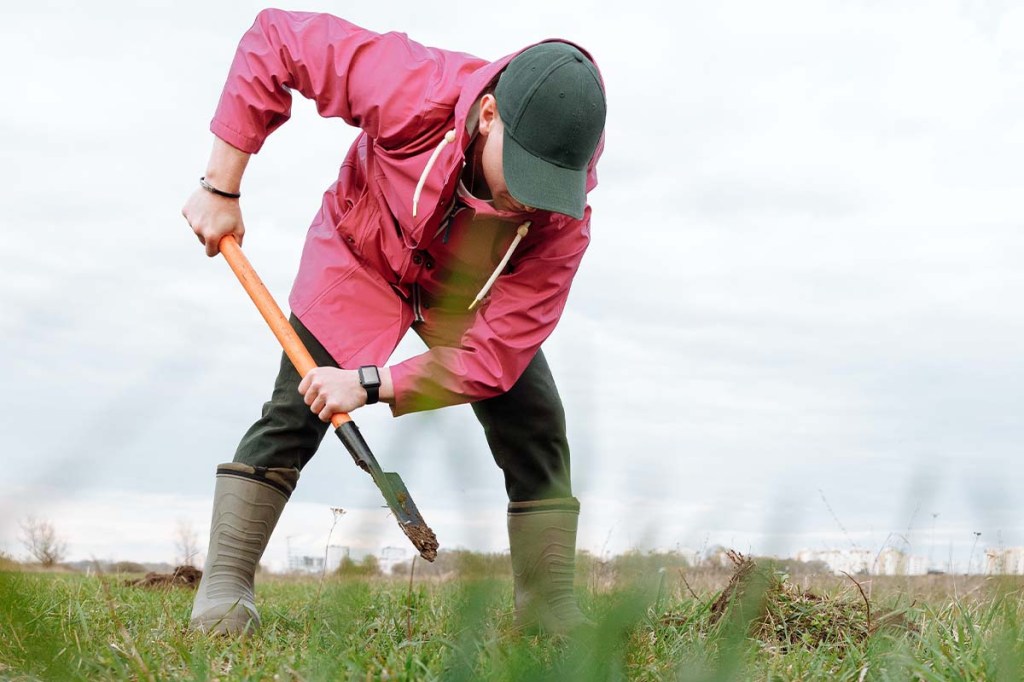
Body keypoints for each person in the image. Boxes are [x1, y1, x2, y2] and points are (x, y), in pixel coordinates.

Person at [181, 9, 607, 636]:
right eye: (521, 172)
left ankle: (549, 608)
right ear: (487, 115)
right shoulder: (414, 86)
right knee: (292, 413)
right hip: (364, 255)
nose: (529, 199)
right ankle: (224, 589)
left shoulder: (562, 223)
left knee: (537, 423)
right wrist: (221, 187)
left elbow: (495, 355)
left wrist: (374, 384)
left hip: (466, 297)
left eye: (549, 184)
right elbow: (276, 40)